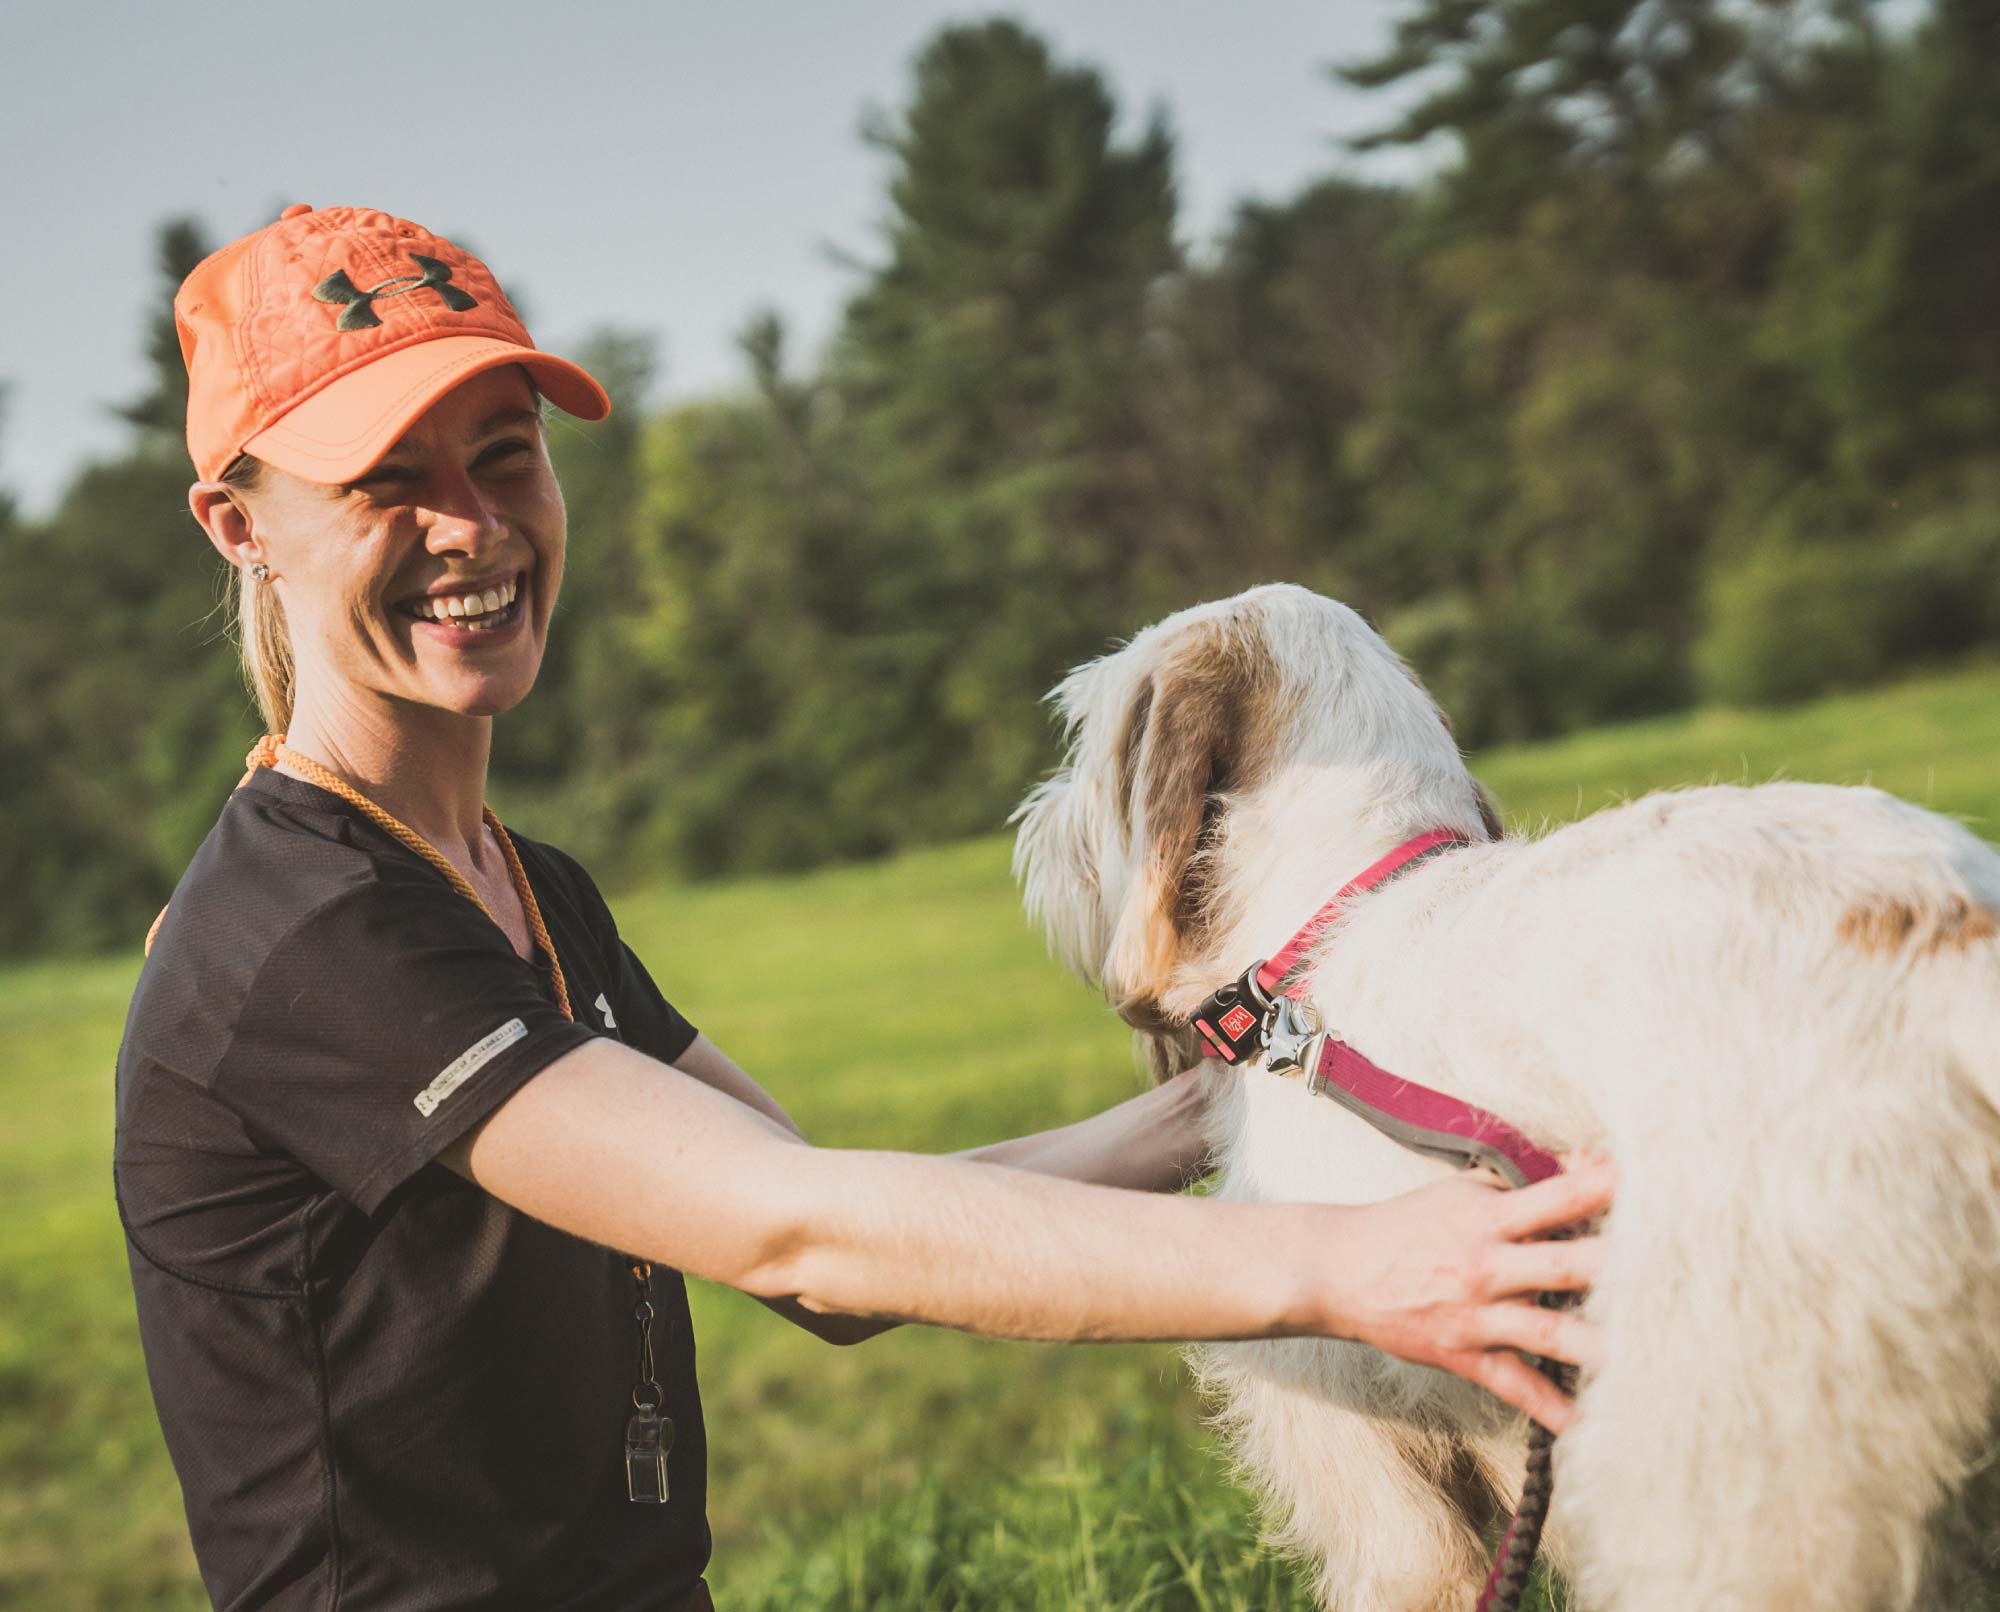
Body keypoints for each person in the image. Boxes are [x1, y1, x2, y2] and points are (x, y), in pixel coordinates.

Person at [113, 204, 1613, 1612]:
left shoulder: (516, 882)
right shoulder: (305, 938)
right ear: (238, 527)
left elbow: (805, 1217)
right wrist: (1351, 1269)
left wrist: (1223, 1115)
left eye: (502, 455)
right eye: (386, 482)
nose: (469, 526)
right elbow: (800, 1239)